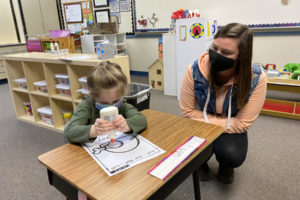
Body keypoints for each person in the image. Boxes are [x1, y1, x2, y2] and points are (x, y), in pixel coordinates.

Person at [179, 23, 267, 184]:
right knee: (184, 144)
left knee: (231, 154)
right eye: (214, 48)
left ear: (241, 56)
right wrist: (220, 123)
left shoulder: (257, 78)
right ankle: (201, 163)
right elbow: (187, 111)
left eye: (226, 52)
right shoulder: (194, 70)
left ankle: (225, 165)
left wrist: (212, 123)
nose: (217, 55)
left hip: (227, 126)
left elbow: (242, 123)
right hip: (210, 122)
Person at [65, 61, 147, 144]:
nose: (111, 106)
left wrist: (127, 125)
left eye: (115, 101)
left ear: (122, 95)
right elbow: (70, 132)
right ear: (92, 95)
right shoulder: (87, 106)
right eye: (104, 103)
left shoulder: (122, 105)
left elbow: (142, 119)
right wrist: (94, 130)